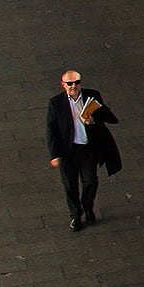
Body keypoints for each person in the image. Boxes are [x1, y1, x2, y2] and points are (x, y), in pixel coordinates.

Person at [45, 70, 121, 232]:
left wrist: (93, 120)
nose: (74, 86)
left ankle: (87, 206)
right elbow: (51, 130)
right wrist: (55, 154)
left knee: (90, 182)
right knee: (69, 185)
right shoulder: (56, 103)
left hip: (88, 149)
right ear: (63, 85)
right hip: (68, 152)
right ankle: (76, 215)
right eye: (70, 83)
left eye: (77, 82)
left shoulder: (92, 96)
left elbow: (111, 118)